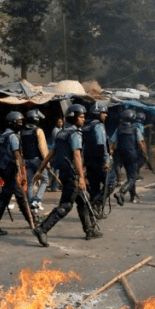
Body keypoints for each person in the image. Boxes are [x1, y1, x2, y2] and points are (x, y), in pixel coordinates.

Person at [33, 104, 100, 245]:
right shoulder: (75, 134)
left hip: (64, 173)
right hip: (72, 175)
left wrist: (40, 170)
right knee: (65, 206)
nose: (83, 119)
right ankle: (42, 229)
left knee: (83, 201)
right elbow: (76, 155)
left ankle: (90, 230)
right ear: (73, 117)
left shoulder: (61, 134)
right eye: (81, 117)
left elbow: (50, 153)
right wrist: (82, 178)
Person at [0, 111, 39, 240]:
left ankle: (31, 219)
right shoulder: (13, 136)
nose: (21, 124)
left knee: (20, 195)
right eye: (19, 122)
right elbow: (17, 155)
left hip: (3, 169)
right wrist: (22, 173)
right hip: (10, 170)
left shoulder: (2, 135)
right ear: (13, 123)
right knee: (4, 199)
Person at [112, 109, 148, 206]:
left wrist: (111, 152)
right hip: (133, 156)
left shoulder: (118, 129)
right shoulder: (135, 129)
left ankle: (133, 196)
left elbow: (112, 142)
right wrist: (145, 154)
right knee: (132, 178)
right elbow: (140, 143)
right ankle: (121, 192)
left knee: (130, 177)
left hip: (121, 156)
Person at [82, 103, 112, 216]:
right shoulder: (98, 126)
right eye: (103, 113)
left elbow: (83, 147)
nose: (105, 115)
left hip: (89, 161)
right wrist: (106, 161)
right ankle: (96, 203)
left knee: (94, 187)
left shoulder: (85, 126)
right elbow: (101, 145)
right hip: (99, 161)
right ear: (97, 114)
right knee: (110, 183)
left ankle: (95, 212)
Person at [21, 109, 49, 210]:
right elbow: (43, 147)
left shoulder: (22, 132)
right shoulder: (38, 130)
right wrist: (47, 161)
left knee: (30, 183)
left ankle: (31, 205)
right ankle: (37, 200)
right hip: (38, 160)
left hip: (27, 160)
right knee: (45, 180)